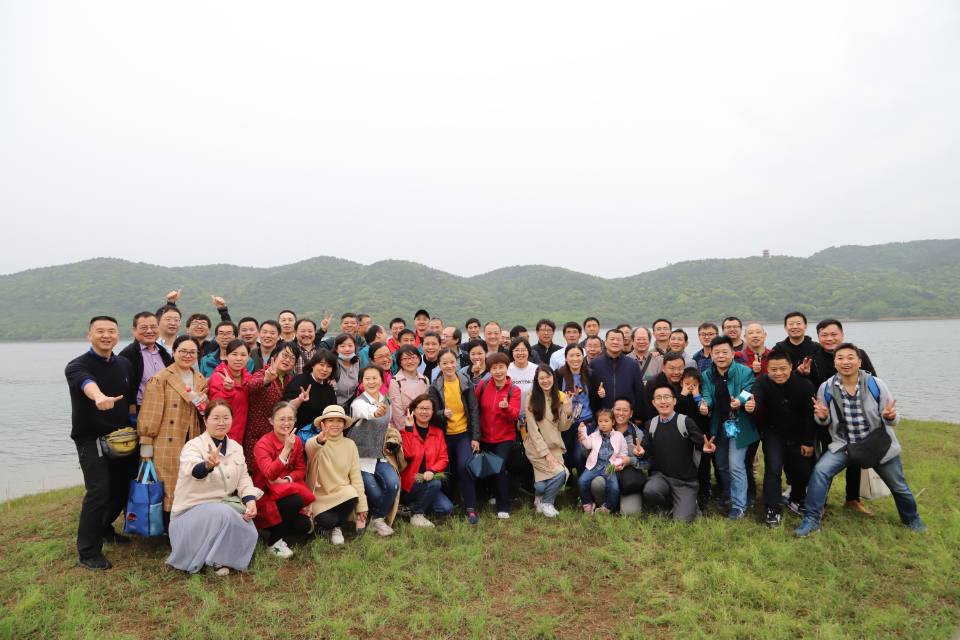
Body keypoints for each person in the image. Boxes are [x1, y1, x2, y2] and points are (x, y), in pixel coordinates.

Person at [796, 343, 925, 537]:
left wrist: (889, 416)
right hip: (844, 445)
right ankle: (811, 519)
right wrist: (822, 416)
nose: (845, 362)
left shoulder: (875, 384)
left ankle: (911, 518)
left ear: (859, 361)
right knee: (820, 472)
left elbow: (891, 417)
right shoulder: (827, 387)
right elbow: (824, 420)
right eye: (840, 358)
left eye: (850, 357)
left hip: (876, 443)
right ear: (835, 362)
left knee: (898, 485)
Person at [65, 316, 137, 570]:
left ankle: (105, 528)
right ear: (89, 335)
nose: (106, 335)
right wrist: (98, 397)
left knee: (121, 488)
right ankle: (88, 552)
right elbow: (87, 383)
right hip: (91, 438)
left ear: (118, 335)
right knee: (98, 491)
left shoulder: (124, 364)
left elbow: (130, 399)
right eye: (100, 331)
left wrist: (134, 424)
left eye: (111, 331)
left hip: (122, 438)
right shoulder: (77, 365)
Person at [166, 401, 261, 575]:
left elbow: (243, 478)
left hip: (221, 507)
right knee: (222, 513)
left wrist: (250, 501)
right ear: (205, 420)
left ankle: (221, 558)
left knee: (248, 527)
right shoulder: (193, 446)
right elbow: (194, 471)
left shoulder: (236, 448)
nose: (221, 422)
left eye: (226, 418)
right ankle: (213, 558)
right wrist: (208, 465)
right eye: (216, 418)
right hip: (189, 513)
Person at [810, 318, 880, 516]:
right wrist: (803, 373)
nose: (829, 338)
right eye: (824, 335)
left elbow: (873, 381)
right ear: (818, 337)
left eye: (834, 334)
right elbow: (811, 387)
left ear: (842, 335)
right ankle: (821, 500)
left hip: (855, 418)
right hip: (826, 418)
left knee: (855, 458)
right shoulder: (813, 358)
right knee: (825, 459)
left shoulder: (858, 355)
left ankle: (852, 499)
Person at [137, 335, 208, 519]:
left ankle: (187, 521)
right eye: (183, 351)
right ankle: (168, 526)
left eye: (192, 352)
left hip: (192, 437)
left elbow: (203, 412)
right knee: (168, 484)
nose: (187, 355)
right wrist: (146, 444)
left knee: (189, 481)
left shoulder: (200, 378)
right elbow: (151, 412)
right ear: (174, 352)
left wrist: (204, 406)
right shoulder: (161, 378)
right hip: (166, 439)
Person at [743, 349, 815, 528]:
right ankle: (772, 509)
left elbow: (809, 416)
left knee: (802, 470)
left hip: (798, 434)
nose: (778, 373)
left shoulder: (805, 385)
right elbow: (756, 400)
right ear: (768, 369)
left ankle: (797, 499)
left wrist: (808, 442)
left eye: (783, 369)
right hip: (773, 432)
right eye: (773, 370)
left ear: (791, 367)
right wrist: (752, 407)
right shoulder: (762, 382)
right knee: (773, 469)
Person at [698, 336, 758, 520]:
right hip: (719, 426)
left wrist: (739, 400)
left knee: (736, 465)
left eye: (725, 352)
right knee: (722, 465)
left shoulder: (745, 371)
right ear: (711, 355)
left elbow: (750, 388)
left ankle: (739, 505)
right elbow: (707, 395)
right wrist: (704, 405)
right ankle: (730, 494)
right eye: (717, 352)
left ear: (733, 353)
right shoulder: (707, 375)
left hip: (740, 425)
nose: (721, 356)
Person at [639, 382, 715, 523]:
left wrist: (706, 447)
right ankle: (668, 505)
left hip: (685, 482)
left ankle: (690, 504)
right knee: (650, 490)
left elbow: (701, 442)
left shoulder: (685, 422)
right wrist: (641, 451)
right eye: (659, 398)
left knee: (682, 521)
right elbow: (646, 449)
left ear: (674, 401)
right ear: (653, 402)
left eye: (667, 397)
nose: (663, 401)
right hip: (661, 478)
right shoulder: (651, 424)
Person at [251, 402, 315, 558]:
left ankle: (270, 532)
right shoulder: (262, 444)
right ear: (271, 421)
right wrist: (286, 449)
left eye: (290, 419)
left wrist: (287, 480)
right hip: (266, 495)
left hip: (287, 490)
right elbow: (270, 474)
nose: (286, 423)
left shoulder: (296, 441)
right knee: (295, 501)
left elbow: (300, 469)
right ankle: (273, 542)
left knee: (304, 525)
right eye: (281, 419)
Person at [348, 365, 403, 536]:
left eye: (375, 378)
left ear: (381, 380)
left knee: (393, 484)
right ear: (362, 382)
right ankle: (374, 517)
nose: (371, 382)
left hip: (380, 455)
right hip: (360, 458)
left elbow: (387, 426)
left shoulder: (386, 401)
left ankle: (376, 519)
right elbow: (365, 412)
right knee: (376, 492)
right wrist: (375, 412)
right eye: (367, 378)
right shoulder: (358, 403)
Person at [429, 349, 481, 524]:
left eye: (452, 362)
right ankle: (452, 503)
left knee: (464, 467)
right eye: (445, 363)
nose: (449, 366)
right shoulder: (434, 387)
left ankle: (471, 507)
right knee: (447, 471)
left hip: (463, 434)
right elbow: (431, 413)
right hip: (444, 436)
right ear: (439, 365)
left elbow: (474, 410)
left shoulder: (465, 382)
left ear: (457, 362)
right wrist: (442, 413)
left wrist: (475, 437)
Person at [305, 405, 368, 545]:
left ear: (344, 424)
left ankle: (336, 527)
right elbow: (310, 448)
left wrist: (362, 506)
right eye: (330, 420)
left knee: (352, 492)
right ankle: (329, 524)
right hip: (319, 497)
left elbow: (356, 477)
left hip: (341, 495)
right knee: (328, 521)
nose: (335, 424)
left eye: (339, 421)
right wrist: (319, 440)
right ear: (323, 423)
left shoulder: (350, 444)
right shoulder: (316, 442)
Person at [523, 365, 573, 518]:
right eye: (541, 378)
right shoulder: (531, 398)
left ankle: (542, 499)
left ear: (553, 378)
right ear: (537, 381)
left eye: (548, 377)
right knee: (560, 474)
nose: (545, 381)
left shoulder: (559, 397)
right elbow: (533, 431)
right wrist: (546, 454)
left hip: (554, 445)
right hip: (536, 447)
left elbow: (563, 427)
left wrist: (568, 411)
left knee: (556, 477)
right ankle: (547, 502)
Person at [476, 352, 521, 518]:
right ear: (490, 370)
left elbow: (515, 415)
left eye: (501, 367)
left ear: (506, 368)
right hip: (485, 436)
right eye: (494, 368)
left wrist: (506, 408)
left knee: (499, 467)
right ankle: (490, 495)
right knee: (487, 467)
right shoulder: (483, 385)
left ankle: (504, 506)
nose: (498, 371)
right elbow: (475, 407)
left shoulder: (514, 389)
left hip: (505, 437)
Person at [399, 394, 454, 526]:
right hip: (411, 484)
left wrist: (432, 470)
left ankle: (409, 508)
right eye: (421, 408)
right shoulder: (405, 431)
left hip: (429, 479)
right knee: (435, 484)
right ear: (414, 410)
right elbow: (408, 454)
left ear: (433, 412)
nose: (424, 412)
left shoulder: (437, 432)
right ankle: (417, 514)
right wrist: (409, 428)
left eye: (428, 409)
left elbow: (444, 458)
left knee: (446, 508)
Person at [245, 345, 298, 473]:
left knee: (276, 471)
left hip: (278, 437)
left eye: (292, 358)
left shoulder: (290, 380)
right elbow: (250, 385)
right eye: (285, 355)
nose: (287, 360)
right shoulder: (263, 372)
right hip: (257, 435)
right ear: (274, 356)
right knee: (258, 473)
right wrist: (266, 380)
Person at [555, 344, 601, 472]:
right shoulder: (559, 375)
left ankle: (583, 480)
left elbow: (596, 398)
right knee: (566, 455)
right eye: (571, 355)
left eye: (578, 355)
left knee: (579, 455)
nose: (575, 359)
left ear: (583, 356)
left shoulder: (591, 374)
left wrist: (601, 394)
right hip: (565, 423)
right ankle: (568, 480)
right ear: (566, 358)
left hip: (586, 422)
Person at [119, 311, 172, 414]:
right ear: (134, 330)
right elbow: (124, 387)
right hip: (141, 409)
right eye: (144, 328)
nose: (149, 331)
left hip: (165, 408)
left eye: (153, 327)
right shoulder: (128, 354)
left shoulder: (164, 353)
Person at [577, 409, 628, 514]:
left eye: (606, 421)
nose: (603, 424)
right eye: (600, 421)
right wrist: (582, 431)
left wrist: (617, 463)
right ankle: (587, 503)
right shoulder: (594, 435)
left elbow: (623, 453)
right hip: (595, 465)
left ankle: (608, 507)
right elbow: (587, 444)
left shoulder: (618, 436)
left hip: (609, 466)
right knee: (582, 481)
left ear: (613, 422)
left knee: (614, 487)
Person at [207, 340, 253, 444]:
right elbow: (214, 406)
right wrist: (227, 390)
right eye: (234, 354)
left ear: (248, 357)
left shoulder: (249, 378)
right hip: (221, 434)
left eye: (243, 355)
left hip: (242, 435)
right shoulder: (218, 377)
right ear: (226, 356)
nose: (238, 358)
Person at [283, 350, 338, 432]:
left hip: (322, 433)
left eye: (329, 366)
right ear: (313, 365)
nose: (324, 369)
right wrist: (299, 400)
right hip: (298, 432)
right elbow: (285, 408)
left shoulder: (329, 388)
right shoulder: (299, 381)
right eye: (321, 365)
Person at [589, 330, 644, 412]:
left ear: (623, 343)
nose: (615, 342)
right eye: (612, 339)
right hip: (603, 414)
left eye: (618, 340)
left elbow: (639, 392)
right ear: (605, 342)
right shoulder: (595, 364)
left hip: (626, 413)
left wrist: (637, 413)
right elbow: (589, 392)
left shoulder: (633, 364)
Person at [611, 397, 646, 515]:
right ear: (612, 411)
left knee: (630, 513)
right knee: (597, 484)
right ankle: (608, 504)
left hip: (630, 479)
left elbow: (648, 463)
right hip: (609, 474)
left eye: (625, 410)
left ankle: (623, 500)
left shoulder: (639, 435)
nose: (621, 413)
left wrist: (631, 460)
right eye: (618, 409)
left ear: (631, 414)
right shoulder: (603, 428)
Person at [389, 345, 431, 429]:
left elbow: (427, 406)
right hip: (404, 428)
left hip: (423, 426)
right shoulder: (395, 382)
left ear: (419, 359)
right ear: (400, 362)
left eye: (413, 357)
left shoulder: (425, 380)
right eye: (405, 359)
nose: (410, 361)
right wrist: (408, 430)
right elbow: (397, 414)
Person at [774, 311, 819, 380]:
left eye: (798, 323)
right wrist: (797, 372)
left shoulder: (816, 347)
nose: (795, 327)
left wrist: (810, 372)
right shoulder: (778, 349)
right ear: (785, 327)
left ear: (805, 326)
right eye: (791, 324)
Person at [507, 338, 539, 411]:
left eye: (523, 350)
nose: (520, 353)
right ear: (512, 352)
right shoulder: (506, 369)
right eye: (517, 350)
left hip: (533, 412)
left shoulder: (537, 369)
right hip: (511, 412)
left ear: (529, 351)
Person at [332, 334, 361, 406]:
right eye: (342, 346)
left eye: (350, 346)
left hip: (352, 404)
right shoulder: (332, 364)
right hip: (335, 406)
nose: (347, 349)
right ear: (336, 349)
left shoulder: (357, 362)